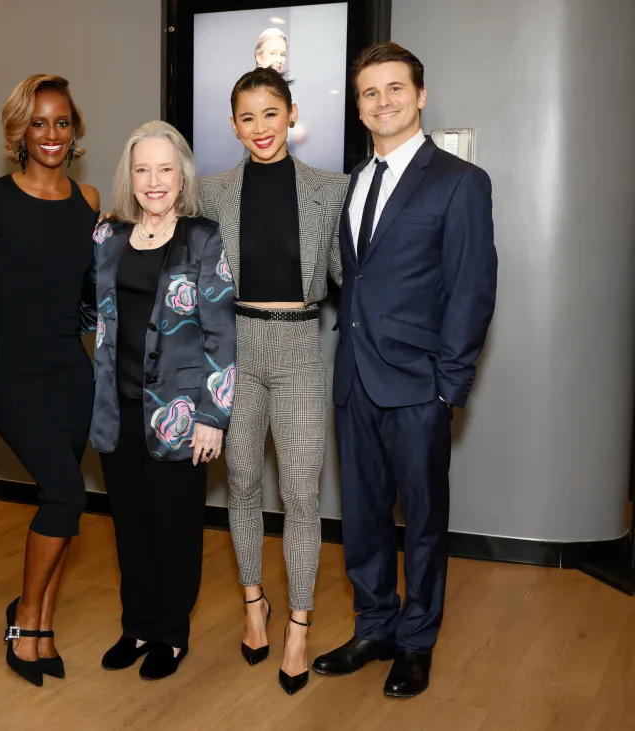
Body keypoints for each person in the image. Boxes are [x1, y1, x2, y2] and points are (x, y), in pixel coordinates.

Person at [312, 42, 497, 698]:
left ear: (420, 96)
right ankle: (374, 627)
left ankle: (416, 642)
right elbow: (356, 281)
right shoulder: (354, 182)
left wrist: (448, 386)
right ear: (359, 108)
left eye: (395, 88)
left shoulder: (459, 181)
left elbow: (472, 289)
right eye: (370, 92)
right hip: (354, 380)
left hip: (419, 385)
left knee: (421, 522)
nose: (382, 101)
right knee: (362, 519)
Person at [199, 66, 347, 696]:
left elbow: (349, 275)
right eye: (247, 117)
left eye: (270, 113)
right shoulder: (211, 194)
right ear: (234, 125)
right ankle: (254, 603)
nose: (260, 127)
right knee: (240, 484)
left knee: (302, 496)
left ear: (291, 114)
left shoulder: (330, 190)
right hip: (235, 350)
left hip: (299, 349)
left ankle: (298, 627)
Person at [90, 120, 236, 681]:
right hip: (117, 409)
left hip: (180, 414)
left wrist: (212, 416)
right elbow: (91, 309)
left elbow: (222, 334)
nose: (154, 181)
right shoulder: (108, 236)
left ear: (182, 176)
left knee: (173, 527)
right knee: (129, 525)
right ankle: (137, 625)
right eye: (143, 170)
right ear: (130, 176)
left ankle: (171, 634)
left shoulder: (203, 237)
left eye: (165, 169)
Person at [0, 74, 100, 688]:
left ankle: (44, 624)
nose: (51, 134)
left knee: (59, 498)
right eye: (39, 123)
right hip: (10, 372)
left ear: (74, 131)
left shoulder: (88, 201)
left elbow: (93, 290)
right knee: (68, 495)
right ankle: (23, 618)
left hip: (71, 370)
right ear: (20, 131)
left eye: (62, 122)